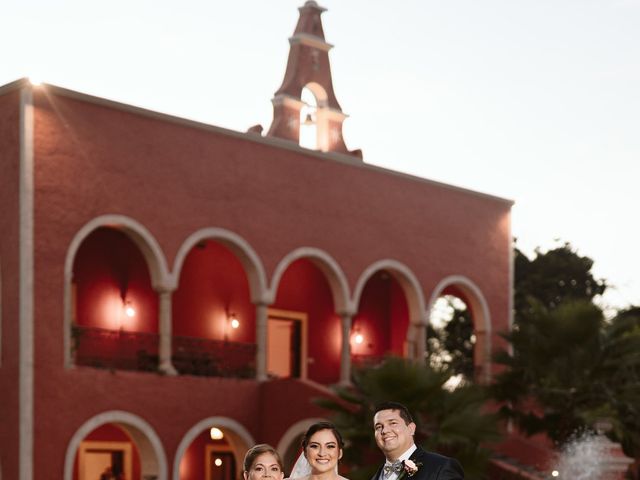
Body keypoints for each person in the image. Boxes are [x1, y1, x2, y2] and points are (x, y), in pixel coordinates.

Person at [371, 401, 464, 480]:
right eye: (378, 427)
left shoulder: (441, 467)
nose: (385, 431)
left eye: (393, 423)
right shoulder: (375, 477)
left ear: (411, 428)